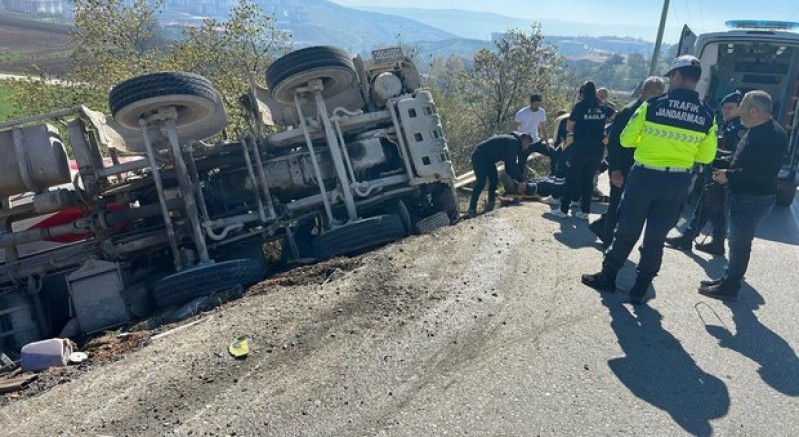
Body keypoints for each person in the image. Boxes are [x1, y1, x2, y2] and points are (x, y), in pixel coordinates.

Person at [581, 55, 718, 304]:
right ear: (695, 80)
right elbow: (707, 155)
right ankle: (640, 289)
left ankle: (608, 277)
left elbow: (625, 140)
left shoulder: (652, 106)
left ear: (676, 75)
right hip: (677, 181)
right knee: (655, 238)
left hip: (644, 176)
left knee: (627, 229)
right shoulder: (707, 115)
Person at [698, 90, 788, 300]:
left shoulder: (772, 136)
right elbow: (740, 158)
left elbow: (762, 173)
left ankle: (730, 287)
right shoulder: (756, 129)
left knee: (739, 244)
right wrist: (717, 161)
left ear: (755, 111)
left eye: (743, 107)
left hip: (753, 199)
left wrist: (729, 176)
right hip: (745, 196)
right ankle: (727, 279)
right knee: (736, 241)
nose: (739, 111)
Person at [589, 76, 666, 246]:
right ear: (642, 91)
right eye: (654, 93)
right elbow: (614, 142)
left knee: (627, 207)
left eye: (660, 94)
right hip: (622, 167)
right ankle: (607, 239)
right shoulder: (629, 112)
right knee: (616, 203)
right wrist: (615, 169)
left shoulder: (655, 111)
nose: (657, 97)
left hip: (640, 169)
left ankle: (601, 226)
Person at [666, 91, 745, 255]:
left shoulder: (739, 128)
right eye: (724, 108)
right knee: (712, 207)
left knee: (708, 205)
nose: (726, 111)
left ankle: (690, 237)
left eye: (731, 108)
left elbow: (733, 153)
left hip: (723, 172)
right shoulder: (728, 125)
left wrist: (708, 152)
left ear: (739, 109)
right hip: (718, 171)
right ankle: (712, 241)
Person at [550, 81, 614, 220]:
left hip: (581, 148)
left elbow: (569, 128)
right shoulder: (603, 106)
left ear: (582, 93)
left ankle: (563, 209)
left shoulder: (580, 106)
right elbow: (614, 116)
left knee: (571, 178)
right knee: (587, 180)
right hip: (598, 149)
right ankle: (585, 211)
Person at [467, 132, 533, 218]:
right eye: (528, 144)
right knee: (481, 182)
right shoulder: (513, 142)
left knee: (494, 179)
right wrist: (520, 181)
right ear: (524, 139)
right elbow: (512, 163)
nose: (527, 147)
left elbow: (508, 167)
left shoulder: (512, 142)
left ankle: (490, 204)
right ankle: (472, 209)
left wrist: (517, 180)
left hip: (488, 159)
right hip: (479, 156)